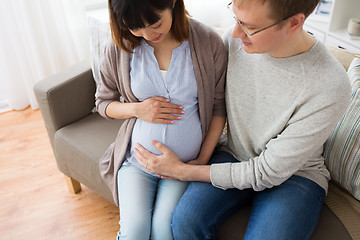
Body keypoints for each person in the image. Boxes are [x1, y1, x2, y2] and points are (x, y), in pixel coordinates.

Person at [134, 0, 352, 239]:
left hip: (294, 176)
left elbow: (266, 171)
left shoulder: (330, 84)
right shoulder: (234, 40)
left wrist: (184, 171)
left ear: (294, 23)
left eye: (249, 27)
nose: (235, 33)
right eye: (235, 19)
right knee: (185, 221)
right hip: (234, 153)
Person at [95, 0, 227, 239]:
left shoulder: (208, 41)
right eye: (135, 27)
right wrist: (137, 109)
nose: (147, 34)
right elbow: (103, 103)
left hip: (183, 164)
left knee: (164, 232)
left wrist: (201, 160)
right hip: (137, 161)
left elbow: (219, 108)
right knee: (134, 231)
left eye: (155, 23)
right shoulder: (119, 47)